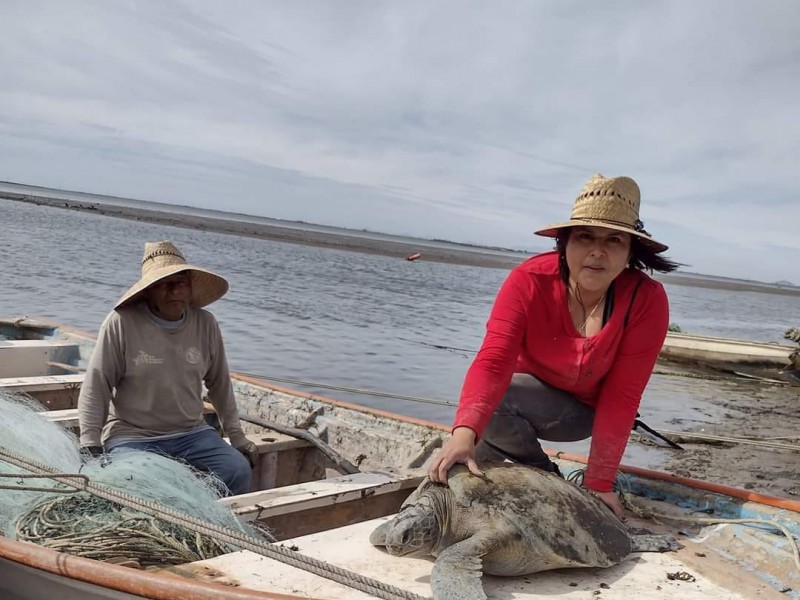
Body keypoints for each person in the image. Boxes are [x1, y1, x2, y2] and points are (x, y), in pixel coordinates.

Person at [428, 174, 680, 519]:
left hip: (583, 414)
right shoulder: (528, 279)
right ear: (564, 243)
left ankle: (550, 482)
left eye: (614, 240)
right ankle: (541, 475)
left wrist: (599, 484)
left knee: (498, 407)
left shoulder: (646, 300)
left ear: (630, 253)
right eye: (585, 236)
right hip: (516, 406)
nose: (597, 251)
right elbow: (493, 361)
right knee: (463, 474)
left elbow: (622, 396)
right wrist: (461, 437)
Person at [78, 241, 258, 495]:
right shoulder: (121, 322)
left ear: (190, 288)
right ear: (149, 290)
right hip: (133, 436)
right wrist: (90, 441)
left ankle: (211, 525)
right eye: (164, 283)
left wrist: (237, 437)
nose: (174, 290)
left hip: (192, 433)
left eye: (180, 282)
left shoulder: (206, 324)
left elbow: (219, 384)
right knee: (137, 481)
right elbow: (97, 385)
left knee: (238, 469)